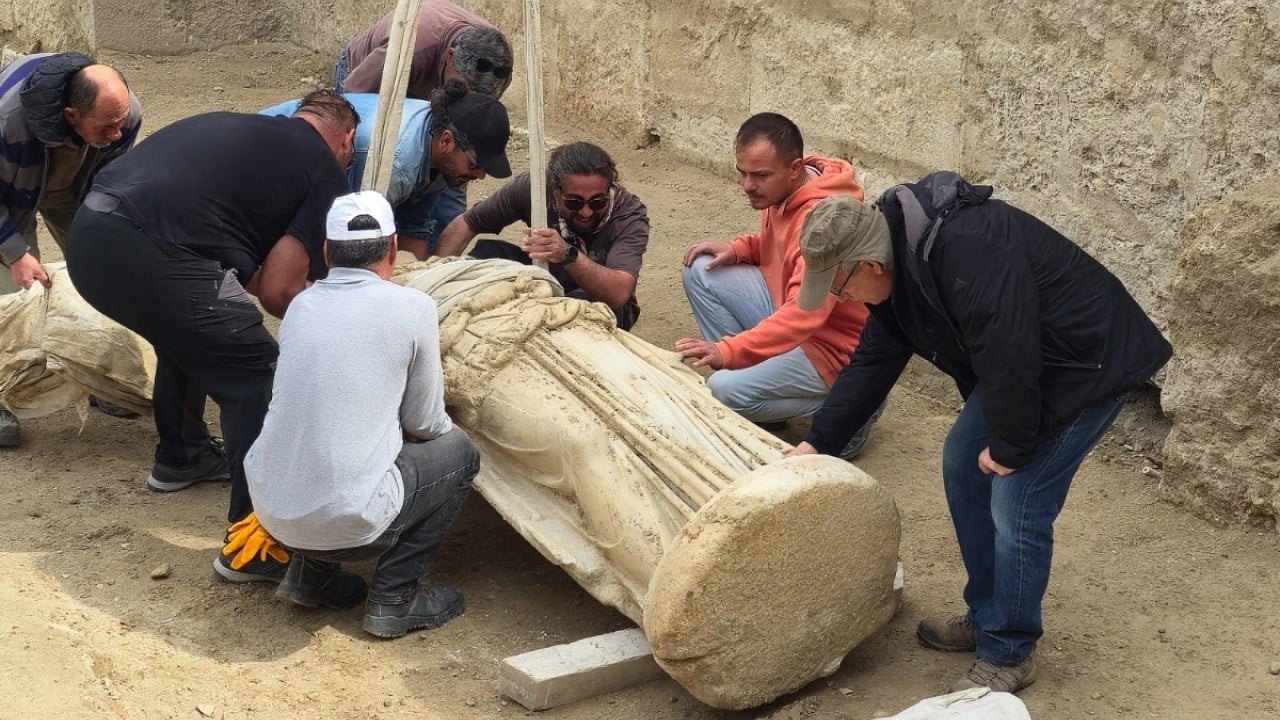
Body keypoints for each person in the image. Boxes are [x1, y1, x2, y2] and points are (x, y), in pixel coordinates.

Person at [791, 178, 1173, 693]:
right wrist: (817, 443)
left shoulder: (968, 249)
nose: (840, 299)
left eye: (839, 287)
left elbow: (1009, 348)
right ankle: (988, 611)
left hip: (1086, 364)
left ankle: (1009, 649)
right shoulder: (895, 265)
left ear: (868, 266)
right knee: (961, 459)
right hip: (1026, 365)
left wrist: (1012, 447)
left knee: (1018, 498)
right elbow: (874, 360)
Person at [64, 90, 359, 583]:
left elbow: (241, 272)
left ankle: (183, 457)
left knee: (205, 330)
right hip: (147, 246)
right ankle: (255, 547)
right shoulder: (324, 168)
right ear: (345, 139)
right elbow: (277, 292)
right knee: (256, 372)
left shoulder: (244, 128)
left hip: (91, 236)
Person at [245, 191, 479, 638]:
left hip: (273, 512)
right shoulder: (413, 307)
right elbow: (425, 423)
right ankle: (395, 598)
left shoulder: (301, 306)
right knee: (459, 453)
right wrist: (455, 427)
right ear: (394, 248)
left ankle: (310, 577)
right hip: (351, 525)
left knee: (329, 438)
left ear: (327, 252)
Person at [675, 113, 876, 455]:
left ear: (795, 168)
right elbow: (785, 252)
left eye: (759, 176)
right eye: (742, 172)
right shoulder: (783, 190)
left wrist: (728, 351)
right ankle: (761, 390)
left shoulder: (825, 219)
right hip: (794, 313)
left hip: (831, 349)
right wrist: (742, 248)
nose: (747, 185)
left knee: (721, 389)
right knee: (702, 269)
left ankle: (851, 415)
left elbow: (805, 313)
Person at [0, 52, 142, 446]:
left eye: (120, 123)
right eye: (107, 126)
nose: (118, 133)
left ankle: (95, 377)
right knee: (11, 300)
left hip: (72, 183)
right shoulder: (6, 122)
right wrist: (14, 252)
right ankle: (3, 391)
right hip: (10, 182)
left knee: (100, 276)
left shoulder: (123, 117)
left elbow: (110, 183)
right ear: (71, 114)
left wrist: (101, 240)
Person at [261, 80, 512, 258]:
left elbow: (414, 228)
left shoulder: (436, 146)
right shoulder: (396, 164)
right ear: (446, 141)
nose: (480, 175)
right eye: (476, 164)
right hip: (269, 163)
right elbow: (348, 238)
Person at [434, 141, 649, 331]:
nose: (586, 212)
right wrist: (436, 279)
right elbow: (465, 224)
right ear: (555, 191)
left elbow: (619, 293)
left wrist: (566, 253)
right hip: (543, 276)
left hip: (599, 297)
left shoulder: (628, 214)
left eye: (597, 202)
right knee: (488, 255)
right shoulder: (534, 188)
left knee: (580, 308)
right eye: (574, 202)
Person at [335, 1, 512, 100]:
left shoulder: (501, 61)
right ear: (450, 57)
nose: (465, 101)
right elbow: (353, 96)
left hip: (423, 81)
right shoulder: (410, 48)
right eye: (462, 88)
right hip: (364, 75)